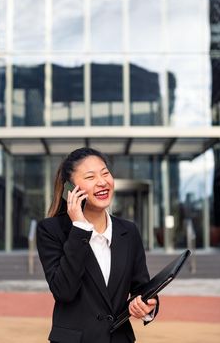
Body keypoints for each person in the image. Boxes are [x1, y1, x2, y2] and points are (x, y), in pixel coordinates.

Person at [37, 147, 159, 343]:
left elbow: (142, 288)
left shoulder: (128, 231)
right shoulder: (51, 230)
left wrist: (147, 306)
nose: (102, 182)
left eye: (105, 173)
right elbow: (63, 292)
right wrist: (79, 229)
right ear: (70, 189)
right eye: (90, 177)